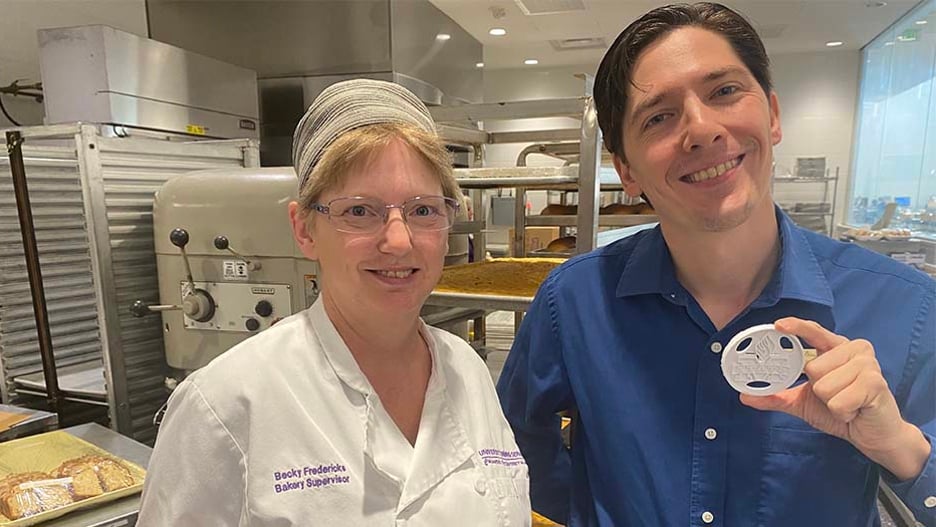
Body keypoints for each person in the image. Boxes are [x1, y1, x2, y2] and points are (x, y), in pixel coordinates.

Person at [496, 3, 935, 526]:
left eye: (724, 91)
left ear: (772, 115)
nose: (701, 130)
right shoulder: (572, 303)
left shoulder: (904, 307)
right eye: (659, 117)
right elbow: (516, 447)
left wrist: (901, 446)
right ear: (626, 170)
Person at [138, 79, 531, 526]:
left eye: (423, 210)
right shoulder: (225, 405)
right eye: (360, 211)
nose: (399, 241)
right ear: (305, 229)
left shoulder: (467, 369)